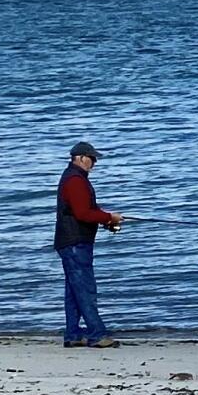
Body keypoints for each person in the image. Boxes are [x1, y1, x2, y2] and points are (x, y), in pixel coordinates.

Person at [52, 141, 123, 347]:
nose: (94, 162)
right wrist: (109, 217)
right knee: (85, 290)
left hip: (71, 241)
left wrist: (106, 220)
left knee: (74, 291)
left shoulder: (74, 178)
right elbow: (82, 213)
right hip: (75, 243)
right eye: (92, 158)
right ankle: (97, 334)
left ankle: (73, 335)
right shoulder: (75, 181)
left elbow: (86, 210)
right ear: (81, 158)